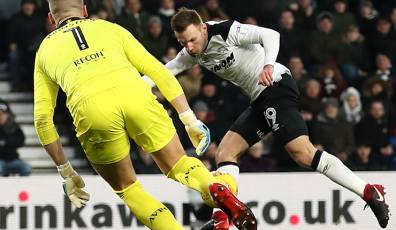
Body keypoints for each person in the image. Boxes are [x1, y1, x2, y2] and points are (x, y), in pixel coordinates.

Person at [151, 8, 389, 229]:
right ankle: (222, 219)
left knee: (303, 154)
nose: (190, 47)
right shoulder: (192, 53)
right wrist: (131, 87)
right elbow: (163, 72)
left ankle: (369, 191)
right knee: (225, 153)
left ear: (203, 28)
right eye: (184, 43)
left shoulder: (225, 31)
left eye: (193, 40)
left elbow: (271, 35)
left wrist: (268, 65)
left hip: (275, 86)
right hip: (260, 98)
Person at [34, 1, 256, 229]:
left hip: (92, 110)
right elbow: (158, 70)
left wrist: (67, 172)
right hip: (134, 94)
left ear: (52, 19)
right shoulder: (111, 28)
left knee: (128, 189)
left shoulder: (44, 51)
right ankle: (214, 187)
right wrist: (188, 118)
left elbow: (42, 120)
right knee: (179, 163)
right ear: (85, 11)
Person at [0, 99, 31, 176]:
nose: (1, 116)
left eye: (2, 114)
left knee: (26, 167)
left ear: (7, 115)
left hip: (13, 160)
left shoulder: (13, 127)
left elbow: (21, 141)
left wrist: (5, 142)